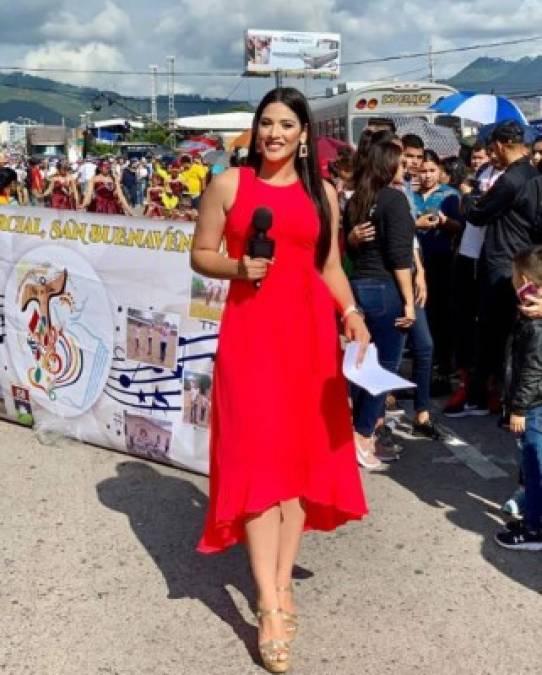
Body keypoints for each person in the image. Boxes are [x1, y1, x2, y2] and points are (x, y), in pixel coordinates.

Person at [191, 87, 369, 673]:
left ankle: (282, 582)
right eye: (266, 122)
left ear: (303, 133)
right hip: (250, 339)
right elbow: (201, 254)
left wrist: (351, 314)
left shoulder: (322, 196)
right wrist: (239, 266)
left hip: (310, 341)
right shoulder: (229, 185)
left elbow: (330, 266)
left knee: (298, 466)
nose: (273, 133)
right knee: (258, 463)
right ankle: (268, 603)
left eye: (286, 124)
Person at [455, 120, 539, 417]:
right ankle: (514, 401)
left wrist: (467, 196)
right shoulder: (534, 174)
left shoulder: (511, 179)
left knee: (495, 334)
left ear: (502, 145)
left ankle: (489, 399)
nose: (493, 157)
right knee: (522, 335)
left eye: (493, 150)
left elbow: (478, 215)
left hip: (503, 264)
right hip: (528, 263)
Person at [344, 141, 415, 468]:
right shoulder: (394, 199)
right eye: (402, 162)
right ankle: (362, 436)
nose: (407, 167)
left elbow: (347, 248)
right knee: (382, 370)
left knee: (360, 366)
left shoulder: (357, 200)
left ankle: (358, 433)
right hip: (386, 289)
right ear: (389, 165)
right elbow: (400, 258)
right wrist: (410, 301)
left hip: (359, 287)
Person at [495, 246, 542, 550]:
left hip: (534, 405)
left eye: (514, 276)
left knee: (535, 464)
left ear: (525, 280)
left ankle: (535, 529)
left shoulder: (536, 325)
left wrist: (519, 408)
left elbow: (532, 369)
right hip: (533, 404)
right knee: (531, 463)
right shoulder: (530, 316)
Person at [414, 149, 463, 386]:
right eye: (422, 171)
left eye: (431, 171)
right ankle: (423, 364)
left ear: (440, 172)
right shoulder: (408, 194)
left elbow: (460, 227)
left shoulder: (449, 195)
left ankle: (444, 363)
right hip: (415, 262)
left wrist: (444, 222)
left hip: (441, 260)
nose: (426, 176)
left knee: (442, 314)